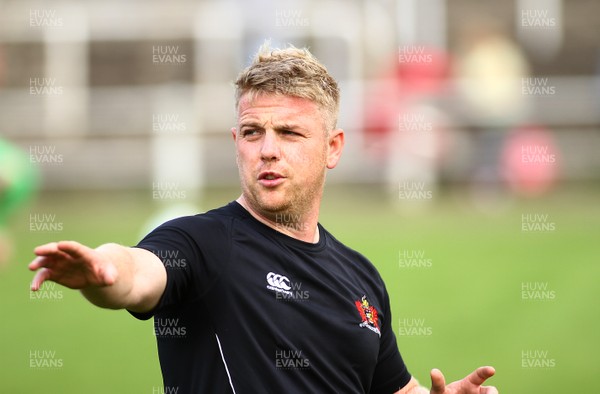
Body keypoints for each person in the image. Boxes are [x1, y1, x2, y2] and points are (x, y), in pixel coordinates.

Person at [29, 43, 498, 393]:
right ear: (237, 140)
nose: (268, 150)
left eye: (290, 132)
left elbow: (390, 387)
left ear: (332, 147)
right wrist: (102, 272)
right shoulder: (203, 244)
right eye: (253, 132)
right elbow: (137, 273)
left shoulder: (361, 278)